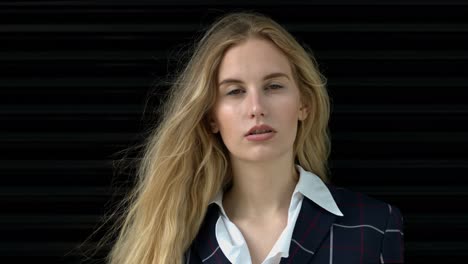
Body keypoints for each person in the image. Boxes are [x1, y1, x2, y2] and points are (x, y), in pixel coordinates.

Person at [105, 12, 404, 264]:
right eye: (235, 91)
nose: (257, 108)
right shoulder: (172, 239)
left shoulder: (374, 226)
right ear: (211, 118)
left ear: (304, 104)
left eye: (273, 86)